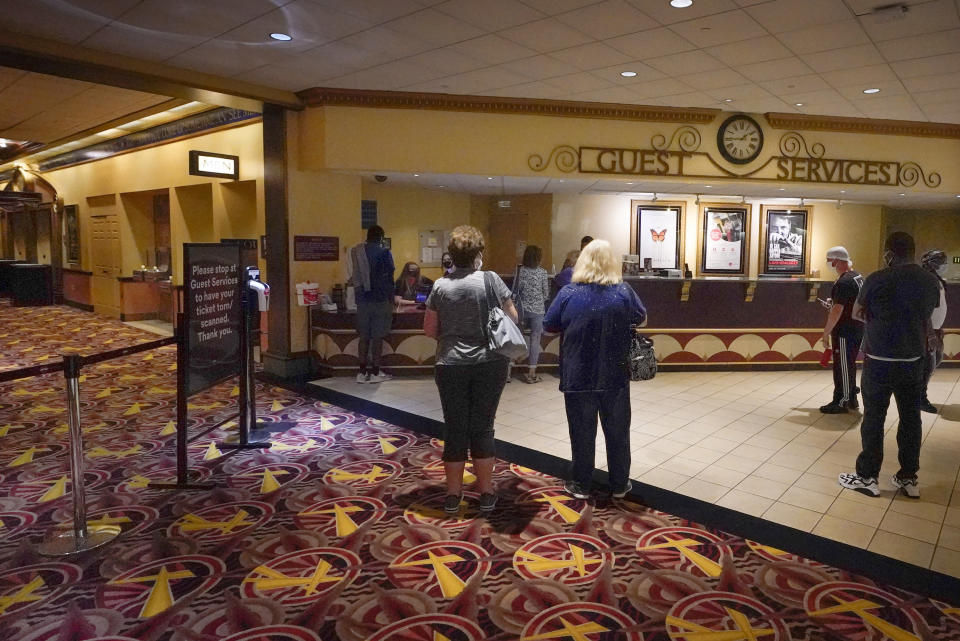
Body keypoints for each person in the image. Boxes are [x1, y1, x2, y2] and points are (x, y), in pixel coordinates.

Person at [423, 225, 518, 514]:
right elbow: (512, 317)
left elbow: (429, 330)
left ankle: (453, 495)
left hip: (451, 364)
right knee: (483, 427)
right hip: (490, 364)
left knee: (455, 428)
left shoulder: (441, 286)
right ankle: (486, 492)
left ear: (451, 255)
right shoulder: (491, 280)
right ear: (479, 254)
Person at [839, 232, 940, 499]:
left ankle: (868, 477)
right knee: (911, 418)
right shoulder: (929, 281)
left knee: (874, 417)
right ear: (913, 251)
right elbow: (930, 316)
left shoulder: (877, 278)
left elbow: (856, 312)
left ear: (889, 253)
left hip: (879, 360)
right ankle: (908, 477)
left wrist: (880, 320)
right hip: (913, 361)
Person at [544, 239, 646, 500]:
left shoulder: (568, 293)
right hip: (616, 374)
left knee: (581, 432)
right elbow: (641, 318)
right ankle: (620, 484)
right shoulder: (624, 292)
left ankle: (580, 484)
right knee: (618, 432)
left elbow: (549, 325)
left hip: (578, 374)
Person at [819, 246, 864, 414]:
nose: (828, 264)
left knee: (843, 366)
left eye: (829, 261)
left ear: (837, 261)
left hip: (846, 330)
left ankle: (842, 400)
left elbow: (837, 311)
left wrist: (826, 332)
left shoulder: (844, 282)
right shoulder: (857, 277)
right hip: (857, 327)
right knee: (848, 364)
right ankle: (851, 398)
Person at [354, 225, 395, 384]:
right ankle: (375, 372)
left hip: (362, 300)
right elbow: (390, 278)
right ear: (381, 238)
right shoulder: (384, 252)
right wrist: (391, 299)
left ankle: (361, 372)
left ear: (367, 236)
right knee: (377, 337)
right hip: (380, 300)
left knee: (363, 337)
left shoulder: (356, 252)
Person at [513, 245, 550, 384]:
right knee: (535, 340)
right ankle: (531, 374)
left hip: (522, 311)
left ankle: (511, 368)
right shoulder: (542, 272)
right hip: (538, 311)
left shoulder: (520, 271)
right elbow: (546, 294)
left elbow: (516, 291)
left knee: (516, 337)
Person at [919, 249, 948, 413]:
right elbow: (925, 310)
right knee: (927, 365)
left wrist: (939, 328)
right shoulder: (927, 281)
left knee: (936, 360)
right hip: (927, 331)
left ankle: (919, 393)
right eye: (941, 261)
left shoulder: (937, 280)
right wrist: (930, 334)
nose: (944, 265)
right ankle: (920, 398)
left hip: (935, 329)